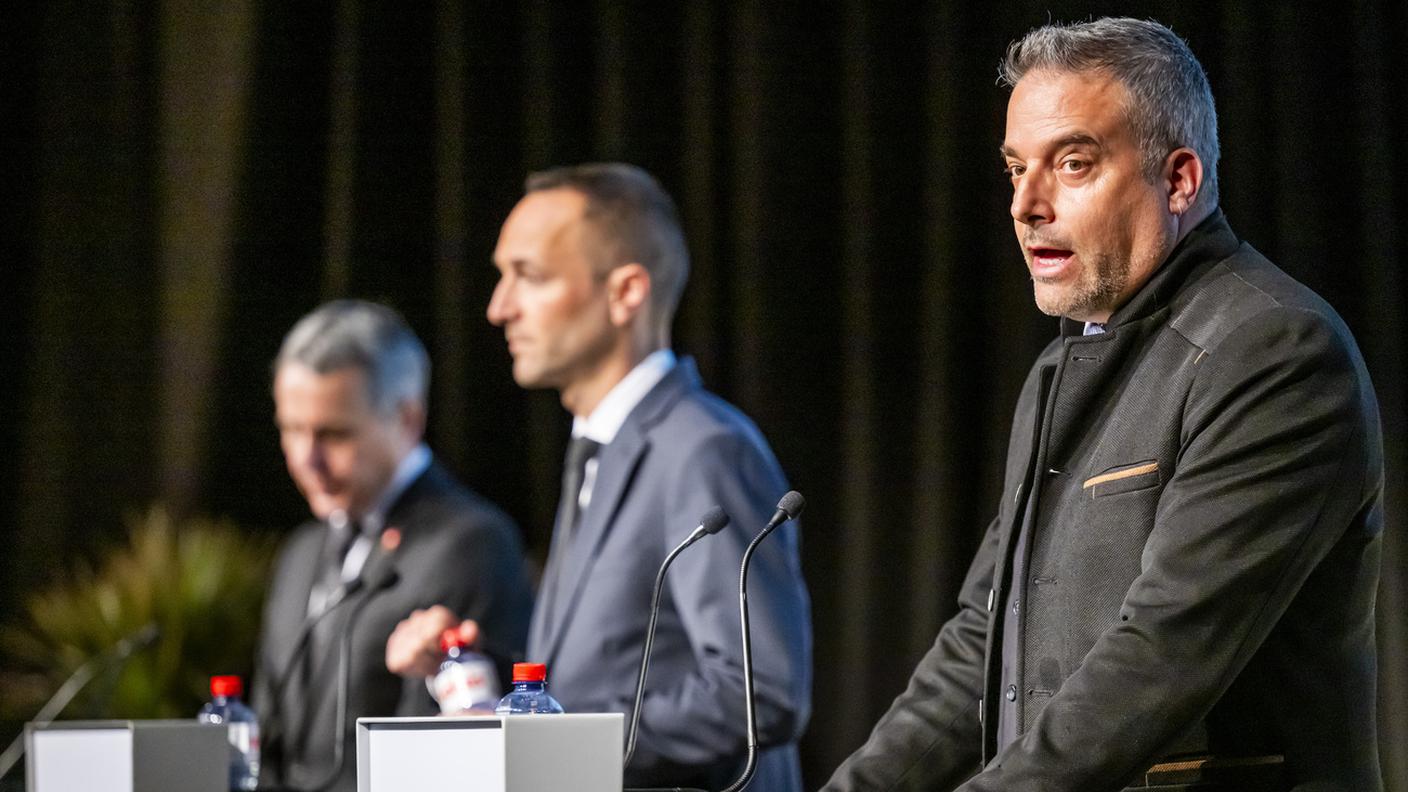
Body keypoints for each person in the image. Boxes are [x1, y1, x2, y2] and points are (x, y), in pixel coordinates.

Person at [822, 17, 1383, 792]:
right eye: (1015, 169)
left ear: (1178, 180)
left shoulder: (1275, 350)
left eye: (1072, 163)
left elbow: (1162, 655)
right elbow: (983, 642)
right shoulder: (1058, 369)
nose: (1026, 204)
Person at [385, 163, 813, 790]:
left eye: (529, 276)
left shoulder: (705, 449)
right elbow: (611, 676)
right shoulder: (600, 446)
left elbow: (759, 695)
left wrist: (546, 740)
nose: (499, 308)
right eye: (501, 276)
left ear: (626, 292)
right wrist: (481, 675)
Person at [252, 300, 534, 792]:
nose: (306, 458)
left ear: (407, 419)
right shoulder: (300, 553)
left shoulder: (472, 545)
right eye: (292, 429)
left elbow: (466, 746)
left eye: (333, 434)